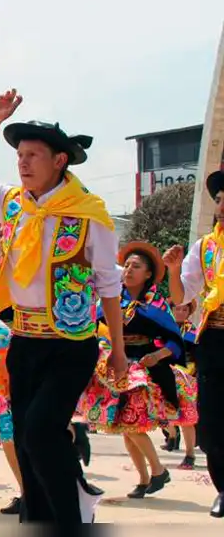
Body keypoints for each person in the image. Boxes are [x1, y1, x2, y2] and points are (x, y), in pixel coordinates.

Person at [0, 90, 126, 527]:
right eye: (20, 155)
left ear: (60, 160)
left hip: (72, 345)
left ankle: (71, 517)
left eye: (33, 155)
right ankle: (43, 519)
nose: (23, 163)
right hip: (24, 341)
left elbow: (108, 287)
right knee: (27, 445)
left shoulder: (90, 216)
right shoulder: (12, 204)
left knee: (43, 433)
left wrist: (119, 350)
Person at [77, 242, 195, 499]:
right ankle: (145, 479)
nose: (129, 270)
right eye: (127, 265)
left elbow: (175, 340)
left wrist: (157, 354)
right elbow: (91, 327)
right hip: (116, 365)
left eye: (136, 266)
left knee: (131, 424)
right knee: (125, 427)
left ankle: (158, 470)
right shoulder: (111, 299)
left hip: (144, 368)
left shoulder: (157, 304)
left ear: (149, 274)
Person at [163, 168, 224, 518]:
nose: (221, 204)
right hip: (215, 341)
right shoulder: (205, 248)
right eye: (218, 199)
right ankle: (223, 489)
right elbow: (183, 299)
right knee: (213, 421)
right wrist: (173, 272)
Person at [163, 299, 199, 469]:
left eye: (185, 309)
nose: (181, 312)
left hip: (186, 378)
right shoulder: (162, 328)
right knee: (165, 411)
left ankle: (190, 454)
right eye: (177, 309)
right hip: (164, 374)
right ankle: (171, 437)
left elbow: (198, 356)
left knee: (186, 419)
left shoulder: (192, 332)